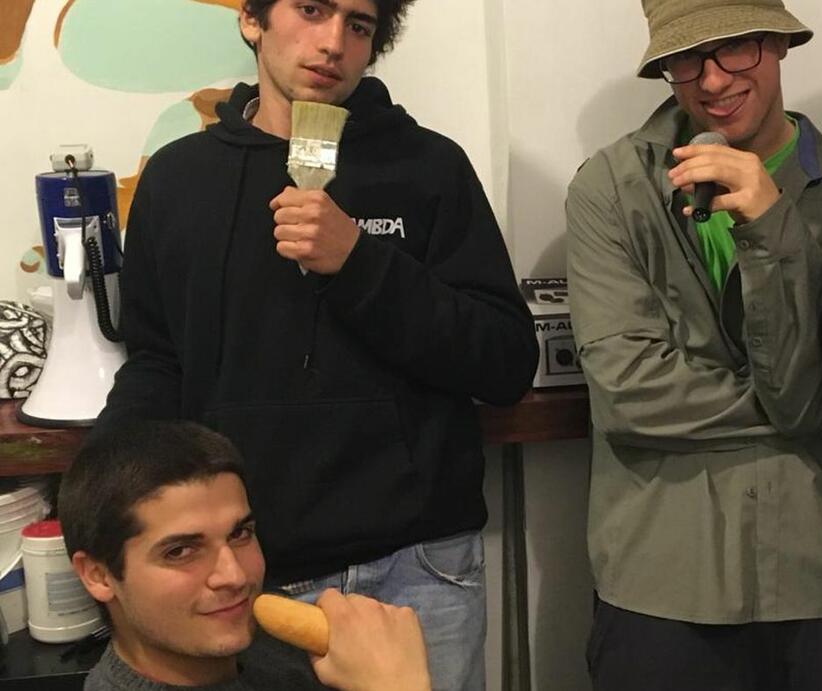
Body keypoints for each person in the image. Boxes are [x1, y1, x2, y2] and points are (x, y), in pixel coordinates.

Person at [96, 1, 539, 689]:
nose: (334, 42)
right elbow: (156, 363)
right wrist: (98, 493)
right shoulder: (178, 180)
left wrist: (359, 261)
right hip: (248, 573)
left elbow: (505, 362)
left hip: (419, 567)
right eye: (311, 9)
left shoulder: (428, 167)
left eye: (359, 25)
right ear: (253, 21)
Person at [565, 0, 822, 688]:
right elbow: (629, 393)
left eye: (735, 46)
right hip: (659, 575)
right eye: (684, 58)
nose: (711, 80)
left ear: (778, 43)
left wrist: (771, 223)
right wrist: (803, 404)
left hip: (814, 571)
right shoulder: (612, 188)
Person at [61, 420, 432, 691]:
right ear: (98, 575)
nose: (235, 576)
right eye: (180, 551)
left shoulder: (272, 646)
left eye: (239, 534)